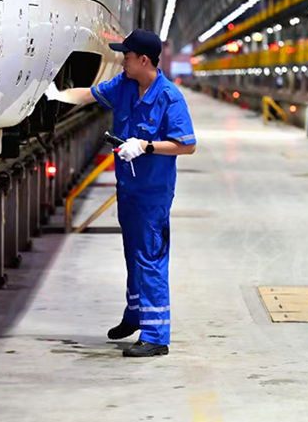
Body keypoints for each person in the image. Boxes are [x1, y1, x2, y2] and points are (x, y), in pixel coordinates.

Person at [44, 29, 196, 357]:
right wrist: (57, 95)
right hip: (128, 190)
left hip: (152, 194)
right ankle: (135, 317)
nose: (122, 60)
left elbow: (188, 145)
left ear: (144, 60)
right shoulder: (124, 85)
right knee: (133, 254)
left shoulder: (169, 97)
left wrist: (146, 146)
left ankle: (156, 336)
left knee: (149, 258)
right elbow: (89, 94)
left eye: (126, 56)